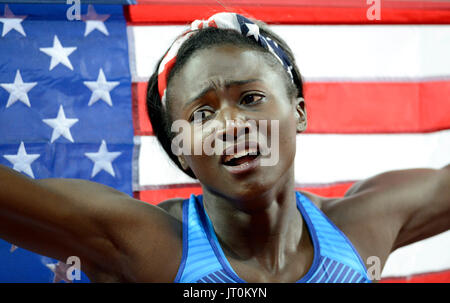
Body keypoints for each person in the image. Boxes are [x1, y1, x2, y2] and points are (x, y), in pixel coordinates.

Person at [0, 12, 449, 283]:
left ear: (299, 112)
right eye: (201, 115)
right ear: (180, 151)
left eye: (251, 98)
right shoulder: (143, 243)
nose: (231, 125)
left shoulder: (364, 224)